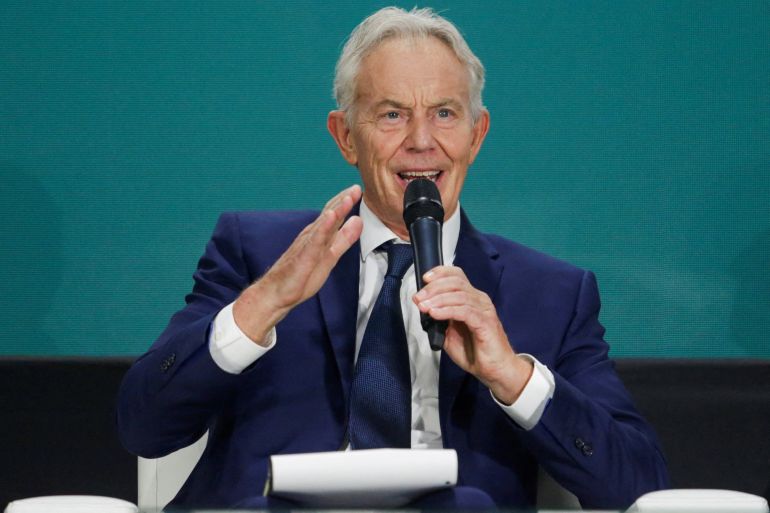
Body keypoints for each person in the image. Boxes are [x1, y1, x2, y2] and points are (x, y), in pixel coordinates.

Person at [117, 6, 669, 510]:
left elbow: (640, 487)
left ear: (476, 135)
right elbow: (143, 427)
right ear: (345, 137)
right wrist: (263, 303)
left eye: (445, 113)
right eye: (391, 115)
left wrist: (513, 376)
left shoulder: (551, 294)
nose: (422, 141)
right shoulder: (258, 252)